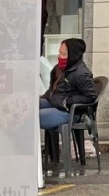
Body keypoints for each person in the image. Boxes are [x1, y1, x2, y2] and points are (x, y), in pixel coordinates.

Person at [39, 37, 95, 174]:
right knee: (28, 108)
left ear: (73, 55)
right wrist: (41, 99)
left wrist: (67, 101)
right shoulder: (60, 69)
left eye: (63, 54)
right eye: (59, 53)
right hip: (54, 103)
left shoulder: (81, 73)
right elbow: (53, 90)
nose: (59, 56)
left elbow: (90, 96)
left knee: (34, 116)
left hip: (69, 113)